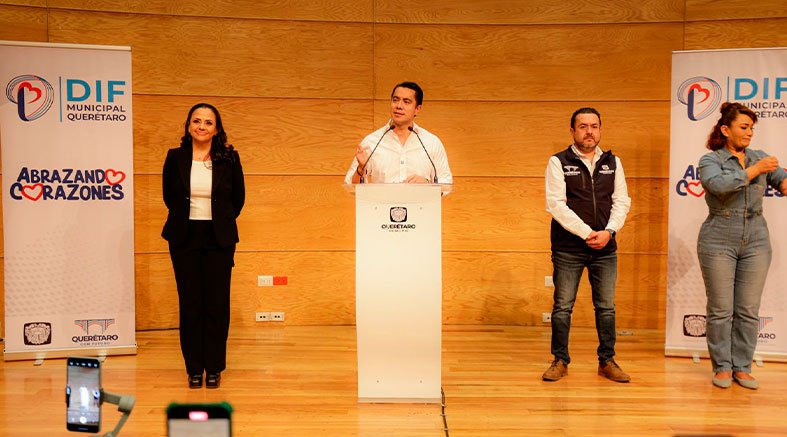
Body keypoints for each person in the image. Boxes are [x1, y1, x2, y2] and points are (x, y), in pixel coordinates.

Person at [697, 102, 787, 390]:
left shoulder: (760, 157)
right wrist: (754, 170)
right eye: (744, 127)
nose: (749, 133)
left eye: (751, 128)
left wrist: (780, 179)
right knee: (721, 309)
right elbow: (718, 186)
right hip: (718, 237)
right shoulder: (710, 160)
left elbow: (783, 183)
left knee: (748, 308)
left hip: (757, 238)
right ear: (726, 130)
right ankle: (722, 366)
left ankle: (743, 367)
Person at [542, 107, 632, 383]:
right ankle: (560, 360)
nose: (589, 132)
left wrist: (608, 232)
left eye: (594, 126)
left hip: (605, 248)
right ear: (572, 131)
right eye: (583, 126)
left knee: (606, 308)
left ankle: (607, 361)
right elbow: (556, 204)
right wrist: (588, 233)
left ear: (600, 129)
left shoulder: (613, 162)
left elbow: (622, 201)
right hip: (568, 248)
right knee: (562, 307)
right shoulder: (558, 161)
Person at [162, 103, 245, 389]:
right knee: (190, 303)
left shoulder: (229, 157)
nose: (201, 126)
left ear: (217, 129)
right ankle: (194, 368)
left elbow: (238, 199)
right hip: (184, 237)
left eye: (208, 122)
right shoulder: (175, 157)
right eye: (196, 121)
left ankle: (215, 367)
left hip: (218, 238)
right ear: (188, 125)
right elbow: (169, 197)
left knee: (217, 304)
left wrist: (219, 220)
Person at [344, 81, 452, 186]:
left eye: (406, 102)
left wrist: (428, 184)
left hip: (420, 199)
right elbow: (351, 185)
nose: (399, 106)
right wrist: (360, 169)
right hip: (382, 199)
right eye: (395, 100)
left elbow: (446, 183)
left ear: (417, 109)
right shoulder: (372, 141)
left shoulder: (431, 142)